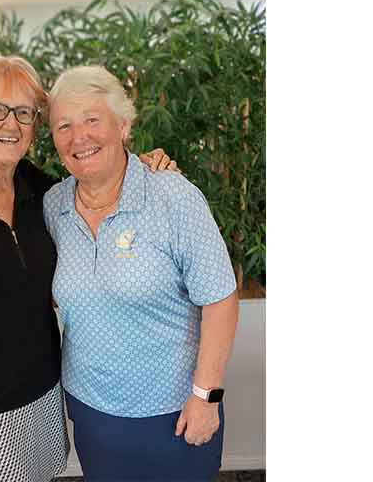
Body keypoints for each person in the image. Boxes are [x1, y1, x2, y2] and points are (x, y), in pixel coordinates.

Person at [0, 55, 177, 482]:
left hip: (44, 395)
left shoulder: (48, 193)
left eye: (24, 113)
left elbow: (104, 182)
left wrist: (148, 166)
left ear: (34, 126)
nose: (11, 123)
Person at [43, 65, 240, 482]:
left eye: (92, 119)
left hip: (175, 411)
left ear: (123, 125)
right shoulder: (53, 206)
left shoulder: (172, 196)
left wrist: (206, 396)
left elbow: (220, 299)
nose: (79, 137)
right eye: (64, 126)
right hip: (92, 410)